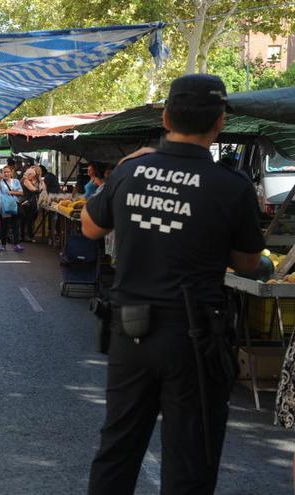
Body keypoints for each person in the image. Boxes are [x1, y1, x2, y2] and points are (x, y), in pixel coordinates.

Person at [82, 74, 264, 494]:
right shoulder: (231, 187)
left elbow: (91, 226)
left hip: (131, 334)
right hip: (194, 340)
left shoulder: (131, 173)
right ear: (219, 123)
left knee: (117, 451)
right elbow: (248, 262)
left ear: (165, 117)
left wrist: (127, 168)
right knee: (189, 463)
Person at [0, 165, 24, 252]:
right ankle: (3, 245)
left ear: (11, 173)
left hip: (14, 206)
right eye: (4, 172)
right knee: (4, 226)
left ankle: (16, 244)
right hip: (4, 207)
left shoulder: (15, 181)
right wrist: (0, 180)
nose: (6, 174)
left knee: (15, 226)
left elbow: (21, 192)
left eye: (8, 172)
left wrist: (11, 192)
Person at [20, 167, 42, 242]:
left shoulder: (27, 180)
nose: (33, 177)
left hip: (28, 202)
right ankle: (28, 236)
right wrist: (38, 189)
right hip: (27, 202)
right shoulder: (25, 180)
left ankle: (25, 236)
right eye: (32, 175)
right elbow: (33, 189)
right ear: (29, 174)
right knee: (28, 220)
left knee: (27, 220)